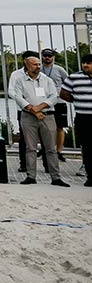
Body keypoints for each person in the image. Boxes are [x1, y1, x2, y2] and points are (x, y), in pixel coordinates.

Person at [8, 50, 67, 186]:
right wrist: (33, 110)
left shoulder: (48, 80)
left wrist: (39, 108)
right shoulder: (19, 80)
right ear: (27, 65)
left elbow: (54, 97)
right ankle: (31, 176)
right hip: (28, 116)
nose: (38, 66)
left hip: (47, 115)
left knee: (50, 148)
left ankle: (56, 177)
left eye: (39, 64)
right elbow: (18, 96)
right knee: (30, 147)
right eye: (34, 64)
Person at [58, 54, 92, 187]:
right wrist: (76, 100)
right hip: (83, 117)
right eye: (84, 63)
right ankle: (90, 175)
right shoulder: (74, 77)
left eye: (88, 63)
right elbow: (63, 93)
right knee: (87, 147)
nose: (85, 65)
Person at [40, 49, 70, 161]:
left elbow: (68, 82)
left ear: (53, 57)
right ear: (42, 56)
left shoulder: (59, 69)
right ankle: (45, 149)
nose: (47, 58)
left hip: (59, 101)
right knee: (43, 127)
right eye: (45, 56)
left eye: (49, 56)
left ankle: (59, 151)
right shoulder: (39, 69)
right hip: (43, 102)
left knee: (59, 127)